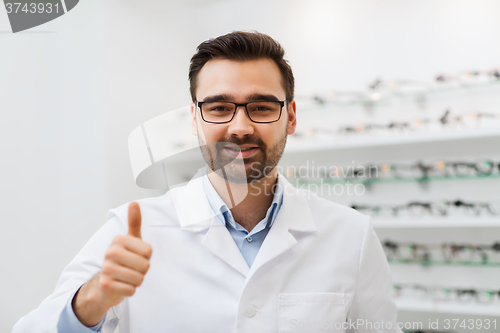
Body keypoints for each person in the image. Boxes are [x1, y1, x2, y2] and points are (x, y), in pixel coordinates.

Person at [13, 31, 402, 333]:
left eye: (262, 107)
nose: (240, 127)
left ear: (292, 117)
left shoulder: (351, 236)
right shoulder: (133, 231)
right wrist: (91, 302)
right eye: (218, 107)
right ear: (195, 120)